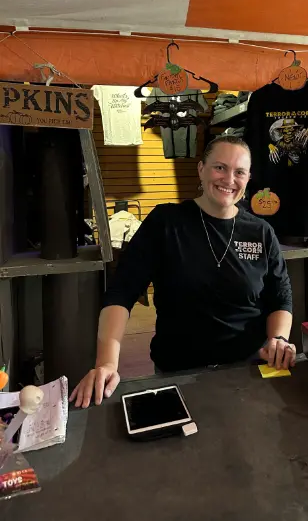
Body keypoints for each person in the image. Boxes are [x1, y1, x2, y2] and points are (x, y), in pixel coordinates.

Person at [70, 136, 295, 408]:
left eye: (239, 172)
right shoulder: (166, 222)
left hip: (246, 370)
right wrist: (106, 363)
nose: (229, 179)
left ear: (248, 178)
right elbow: (121, 292)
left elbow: (280, 296)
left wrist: (278, 339)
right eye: (219, 167)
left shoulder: (261, 232)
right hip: (178, 372)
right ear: (201, 169)